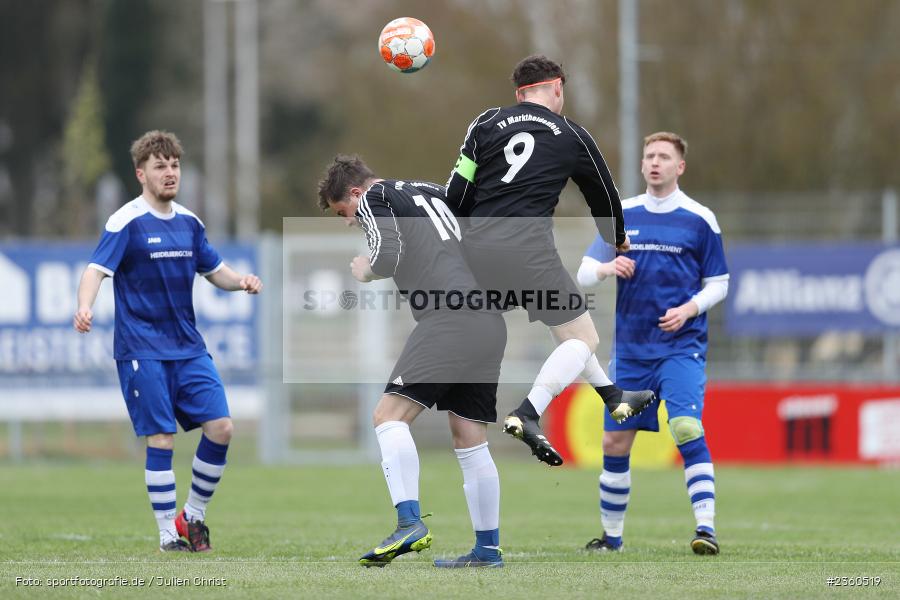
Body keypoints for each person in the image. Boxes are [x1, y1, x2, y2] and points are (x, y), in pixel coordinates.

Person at [445, 54, 655, 466]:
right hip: (528, 251)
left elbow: (457, 192)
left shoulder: (485, 122)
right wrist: (617, 239)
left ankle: (613, 397)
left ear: (519, 94)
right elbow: (604, 196)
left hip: (477, 251)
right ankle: (528, 413)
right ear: (558, 87)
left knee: (569, 336)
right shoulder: (571, 134)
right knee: (584, 339)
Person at [73, 130, 263, 553]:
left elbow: (214, 270)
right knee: (161, 437)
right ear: (141, 174)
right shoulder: (125, 221)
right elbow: (95, 270)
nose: (170, 172)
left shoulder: (190, 223)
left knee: (222, 427)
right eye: (160, 166)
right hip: (142, 349)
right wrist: (84, 305)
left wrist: (241, 281)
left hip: (188, 348)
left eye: (174, 165)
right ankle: (166, 535)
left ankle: (191, 516)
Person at [317, 155, 507, 568]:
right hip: (488, 319)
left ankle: (409, 523)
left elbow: (387, 255)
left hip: (450, 317)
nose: (350, 221)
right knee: (469, 437)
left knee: (387, 417)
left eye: (344, 212)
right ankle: (487, 550)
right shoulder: (435, 190)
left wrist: (366, 271)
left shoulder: (376, 197)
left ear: (355, 192)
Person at [577, 132, 728, 555]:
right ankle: (611, 539)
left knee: (686, 428)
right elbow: (584, 273)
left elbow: (719, 283)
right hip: (631, 351)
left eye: (664, 156)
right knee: (614, 443)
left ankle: (706, 530)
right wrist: (607, 268)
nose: (655, 162)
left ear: (680, 166)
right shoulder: (623, 214)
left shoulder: (700, 219)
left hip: (681, 346)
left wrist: (689, 309)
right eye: (649, 156)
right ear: (642, 164)